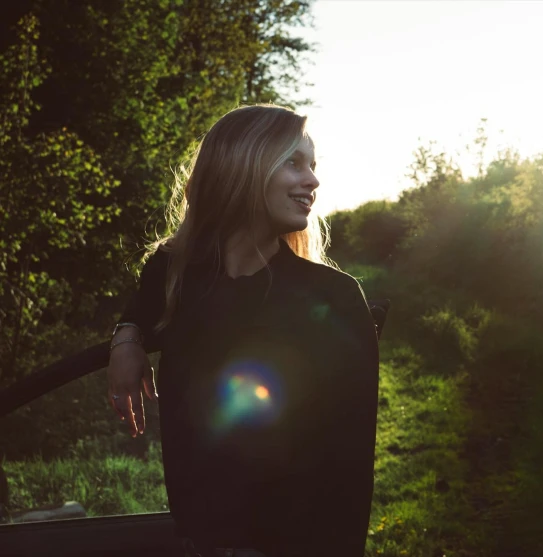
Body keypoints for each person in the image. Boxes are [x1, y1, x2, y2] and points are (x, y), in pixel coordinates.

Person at [106, 104, 380, 557]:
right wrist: (127, 338)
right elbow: (139, 307)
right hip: (198, 541)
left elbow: (350, 472)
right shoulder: (175, 275)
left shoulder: (334, 299)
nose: (313, 180)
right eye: (294, 162)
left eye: (312, 165)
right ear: (242, 166)